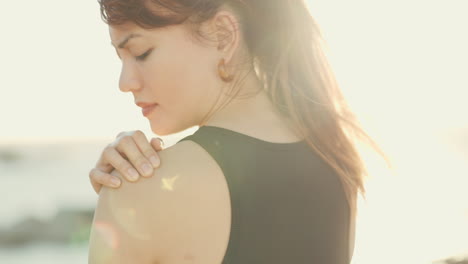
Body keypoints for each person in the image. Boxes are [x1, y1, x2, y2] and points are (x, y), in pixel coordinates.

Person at [87, 0, 388, 263]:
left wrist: (119, 191)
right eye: (120, 58)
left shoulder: (140, 188)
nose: (125, 82)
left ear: (223, 35)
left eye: (141, 53)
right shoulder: (336, 159)